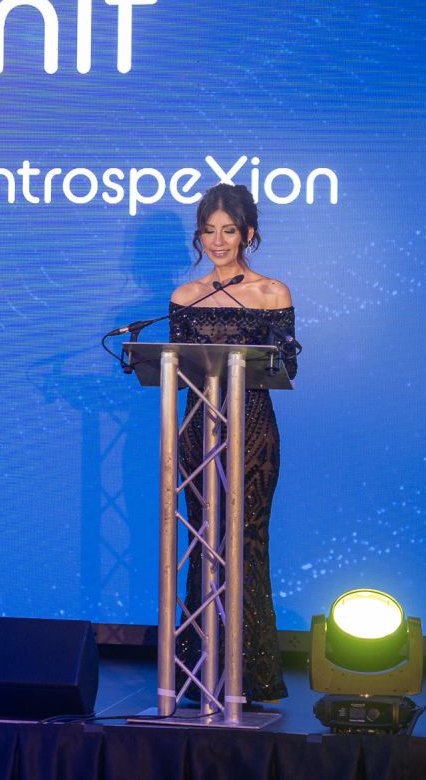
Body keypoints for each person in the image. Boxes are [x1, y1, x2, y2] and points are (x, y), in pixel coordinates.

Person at [170, 182, 296, 704]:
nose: (218, 241)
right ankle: (198, 672)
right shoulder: (186, 298)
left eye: (228, 231)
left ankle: (252, 676)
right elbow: (176, 371)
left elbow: (288, 367)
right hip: (198, 430)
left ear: (248, 233)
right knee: (204, 540)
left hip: (253, 431)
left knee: (245, 541)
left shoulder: (273, 293)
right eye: (208, 231)